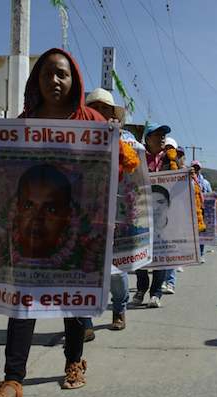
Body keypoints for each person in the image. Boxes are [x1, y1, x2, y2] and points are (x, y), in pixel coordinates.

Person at [0, 48, 107, 397]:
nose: (55, 80)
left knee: (72, 301)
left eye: (62, 74)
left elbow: (111, 173)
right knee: (23, 302)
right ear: (36, 79)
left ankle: (73, 363)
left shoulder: (93, 123)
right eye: (48, 73)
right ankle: (12, 380)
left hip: (74, 230)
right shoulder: (22, 124)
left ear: (74, 81)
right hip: (29, 235)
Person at [81, 88, 136, 338]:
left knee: (115, 270)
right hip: (80, 212)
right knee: (83, 270)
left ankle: (119, 309)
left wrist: (115, 139)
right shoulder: (75, 134)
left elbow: (135, 165)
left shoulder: (124, 138)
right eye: (94, 107)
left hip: (113, 213)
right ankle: (84, 322)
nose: (98, 113)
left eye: (104, 109)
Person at [134, 122, 173, 308]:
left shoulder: (171, 159)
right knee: (139, 252)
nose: (162, 138)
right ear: (148, 138)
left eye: (163, 134)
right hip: (140, 213)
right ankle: (141, 288)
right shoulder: (137, 157)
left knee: (162, 253)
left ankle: (156, 292)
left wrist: (185, 174)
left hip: (162, 217)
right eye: (157, 134)